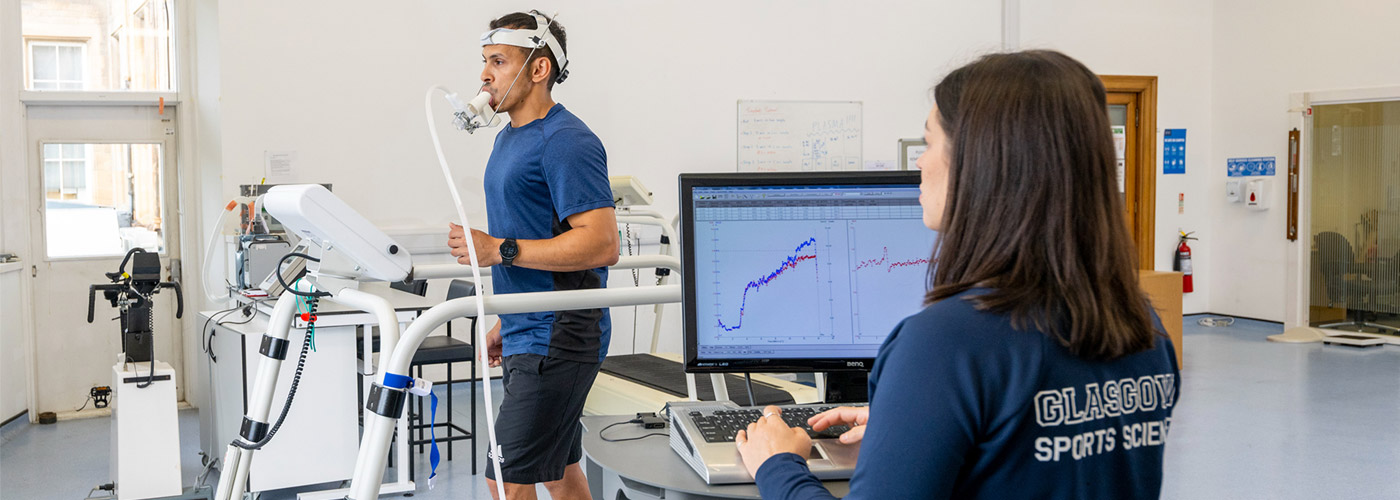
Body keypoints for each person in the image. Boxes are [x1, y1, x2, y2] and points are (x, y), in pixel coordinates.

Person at [735, 50, 1181, 499]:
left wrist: (778, 467)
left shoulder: (944, 344)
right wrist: (917, 424)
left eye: (929, 143)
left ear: (982, 165)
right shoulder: (1142, 325)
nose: (919, 164)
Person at [446, 10, 618, 500]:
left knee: (506, 481)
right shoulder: (507, 138)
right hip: (532, 327)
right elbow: (537, 235)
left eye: (499, 61)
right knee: (557, 472)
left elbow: (603, 243)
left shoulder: (567, 142)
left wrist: (496, 250)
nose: (484, 74)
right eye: (484, 61)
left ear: (539, 69)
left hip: (559, 337)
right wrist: (510, 317)